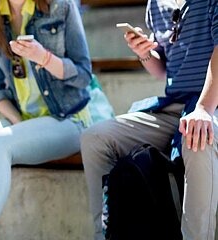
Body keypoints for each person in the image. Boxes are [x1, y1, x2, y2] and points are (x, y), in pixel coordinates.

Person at [81, 0, 218, 239]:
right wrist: (145, 53)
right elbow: (163, 69)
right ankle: (104, 235)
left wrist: (204, 108)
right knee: (95, 138)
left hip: (211, 106)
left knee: (197, 139)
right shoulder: (156, 4)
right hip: (175, 108)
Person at [0, 0, 94, 239]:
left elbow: (84, 75)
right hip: (23, 119)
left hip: (68, 118)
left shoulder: (61, 6)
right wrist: (16, 120)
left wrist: (43, 57)